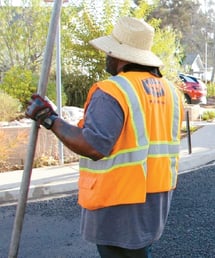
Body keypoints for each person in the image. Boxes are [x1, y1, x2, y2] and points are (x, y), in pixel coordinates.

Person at [25, 17, 184, 257]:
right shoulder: (171, 91)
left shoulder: (113, 90)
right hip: (155, 199)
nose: (106, 57)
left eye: (109, 51)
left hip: (119, 201)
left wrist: (49, 119)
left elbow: (94, 145)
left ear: (121, 55)